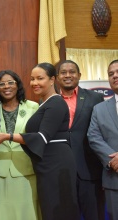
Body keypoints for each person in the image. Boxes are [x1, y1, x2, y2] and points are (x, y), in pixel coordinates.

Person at [0, 62, 79, 220]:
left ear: (52, 80)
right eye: (32, 79)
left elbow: (42, 137)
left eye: (40, 78)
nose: (35, 83)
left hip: (55, 165)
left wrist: (8, 136)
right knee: (50, 210)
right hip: (43, 165)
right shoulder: (45, 104)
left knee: (58, 210)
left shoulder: (54, 103)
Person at [0, 70, 40, 220]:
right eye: (2, 84)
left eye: (11, 82)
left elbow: (37, 138)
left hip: (26, 171)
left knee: (27, 213)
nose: (6, 86)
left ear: (18, 85)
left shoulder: (33, 107)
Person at [57, 60, 105, 220]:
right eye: (63, 72)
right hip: (61, 173)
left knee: (94, 215)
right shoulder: (49, 101)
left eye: (72, 71)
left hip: (90, 171)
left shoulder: (95, 98)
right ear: (57, 77)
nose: (68, 75)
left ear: (79, 75)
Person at [87, 59, 118, 220]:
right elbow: (93, 137)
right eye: (111, 74)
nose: (115, 76)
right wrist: (113, 160)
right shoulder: (99, 109)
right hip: (114, 178)